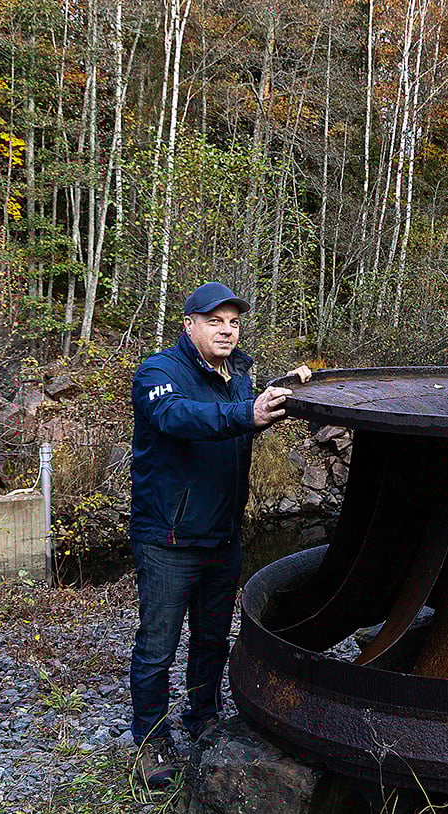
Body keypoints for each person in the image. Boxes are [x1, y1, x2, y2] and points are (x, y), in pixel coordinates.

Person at [127, 281, 312, 789]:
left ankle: (202, 718)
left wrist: (283, 391)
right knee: (157, 648)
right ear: (189, 325)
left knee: (211, 638)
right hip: (168, 539)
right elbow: (178, 416)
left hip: (223, 536)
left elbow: (241, 415)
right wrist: (246, 412)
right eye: (215, 321)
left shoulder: (239, 377)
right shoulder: (159, 373)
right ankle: (150, 742)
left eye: (233, 322)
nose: (227, 330)